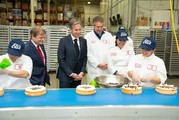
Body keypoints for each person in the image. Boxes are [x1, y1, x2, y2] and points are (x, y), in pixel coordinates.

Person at [56, 19, 87, 88]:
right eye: (76, 30)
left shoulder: (83, 41)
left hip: (78, 77)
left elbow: (84, 58)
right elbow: (61, 60)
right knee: (65, 97)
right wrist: (71, 74)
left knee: (76, 97)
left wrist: (82, 72)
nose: (78, 32)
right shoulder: (63, 41)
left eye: (80, 29)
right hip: (65, 78)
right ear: (70, 29)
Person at [84, 16, 115, 82]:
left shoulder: (109, 36)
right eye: (98, 27)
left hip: (107, 68)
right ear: (94, 26)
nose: (100, 28)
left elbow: (113, 51)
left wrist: (108, 63)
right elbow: (87, 53)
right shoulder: (88, 37)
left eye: (101, 26)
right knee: (93, 88)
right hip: (94, 69)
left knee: (106, 89)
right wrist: (97, 64)